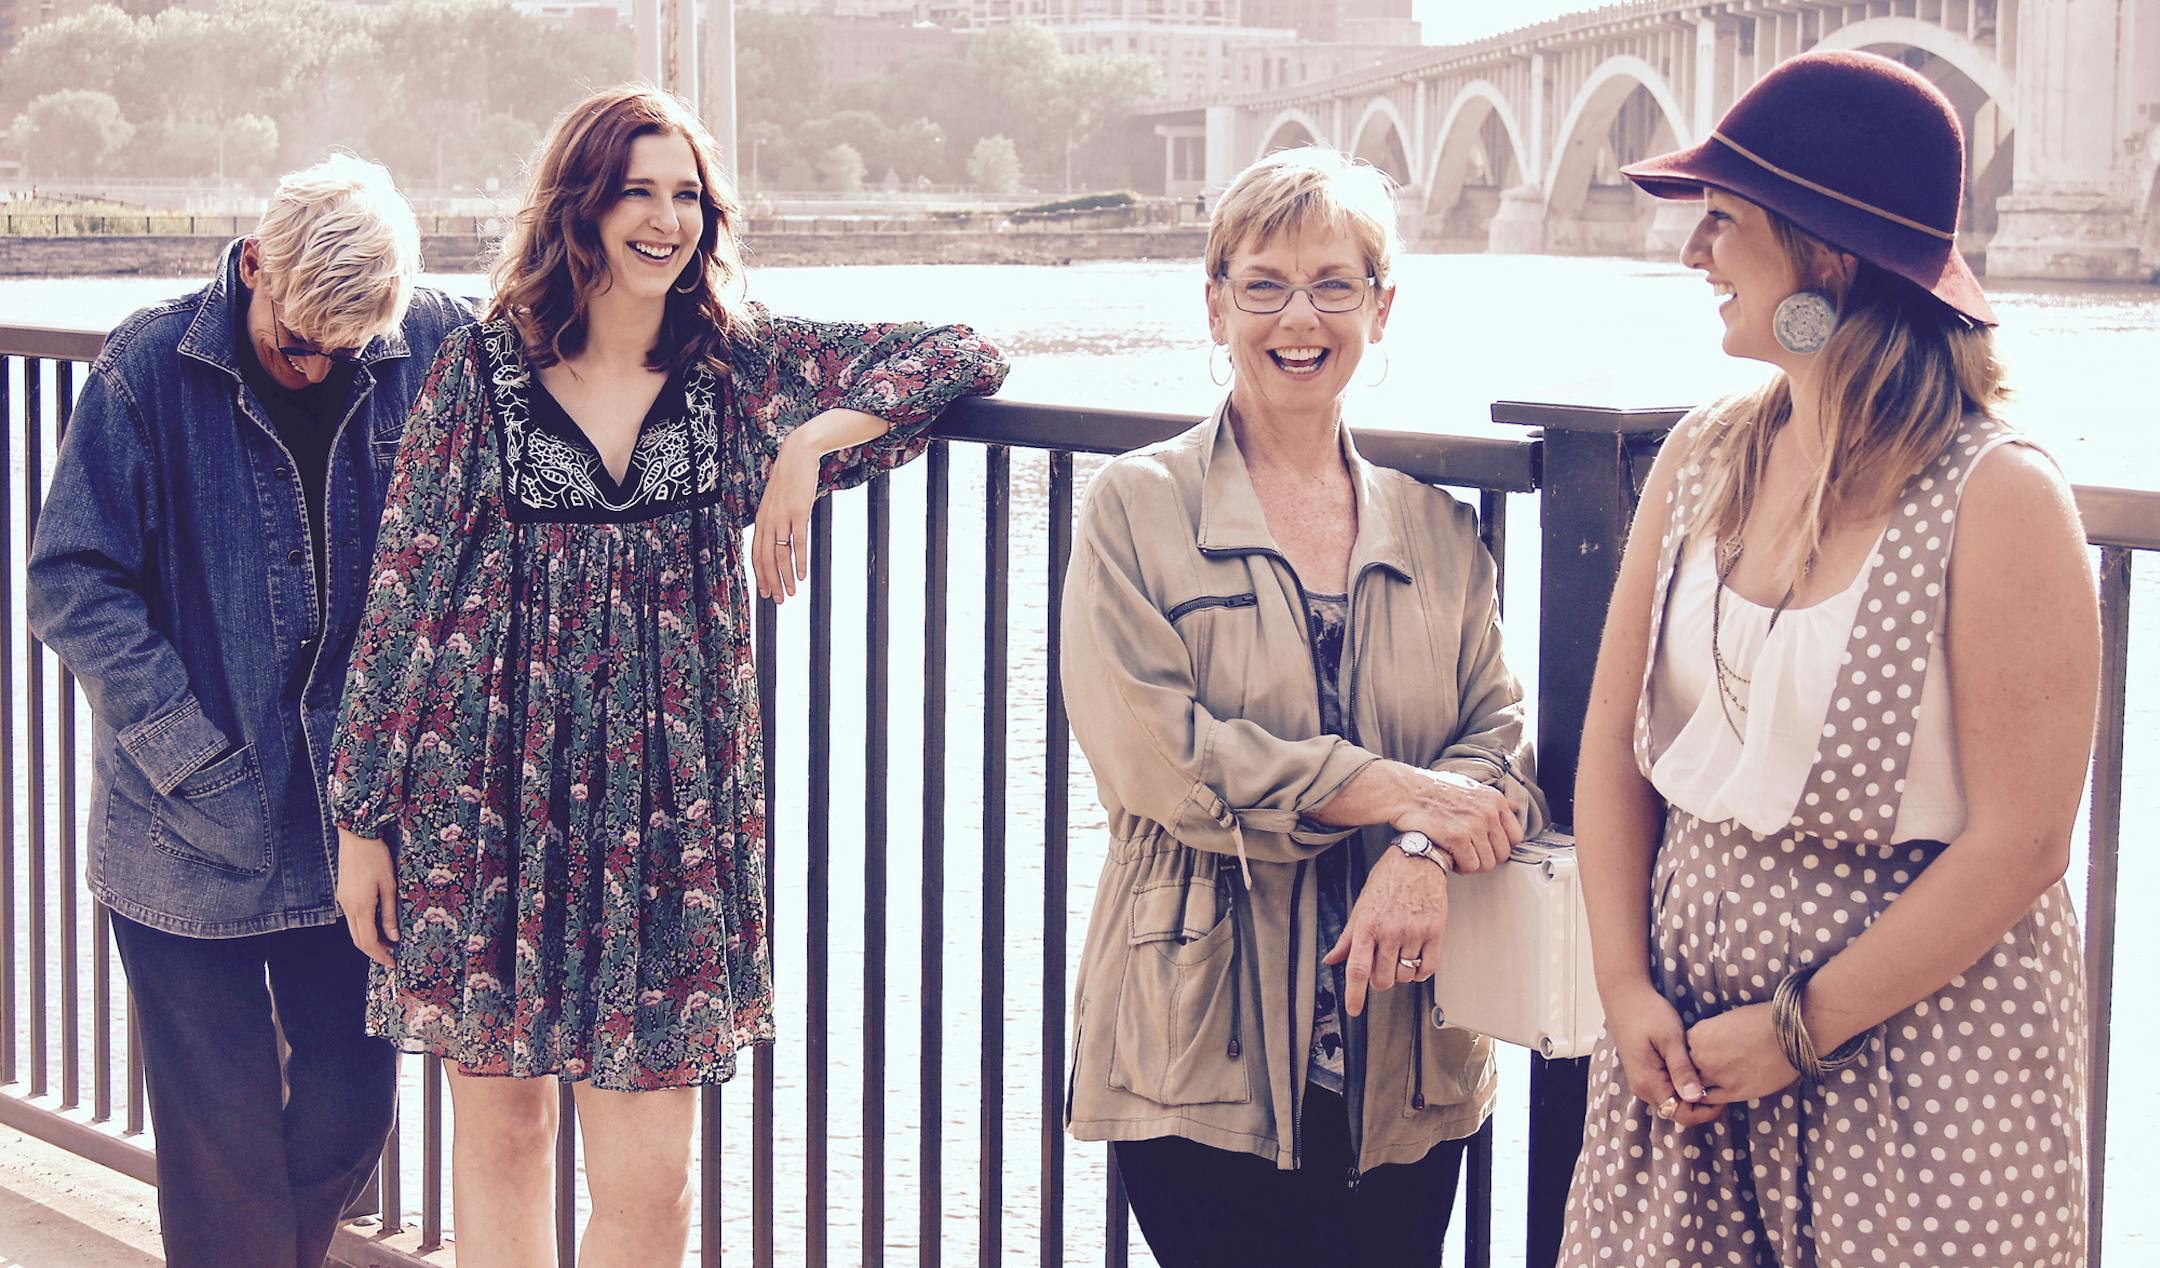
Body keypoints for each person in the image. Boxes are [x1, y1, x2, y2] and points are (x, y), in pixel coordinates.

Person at [326, 86, 1006, 1268]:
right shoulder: (480, 374)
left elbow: (963, 352)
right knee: (506, 1141)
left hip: (667, 826)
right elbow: (405, 595)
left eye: (686, 193)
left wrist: (807, 443)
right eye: (636, 190)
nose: (666, 217)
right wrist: (363, 823)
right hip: (490, 808)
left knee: (651, 1189)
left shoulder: (738, 371)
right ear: (579, 210)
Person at [1560, 51, 2097, 1267]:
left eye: (1725, 221)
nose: (1695, 253)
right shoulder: (1703, 458)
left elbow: (2022, 841)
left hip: (1918, 1081)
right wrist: (1624, 986)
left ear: (1828, 260)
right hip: (1687, 1064)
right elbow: (1612, 748)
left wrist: (1797, 1029)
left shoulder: (1997, 494)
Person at [1059, 146, 1547, 1268]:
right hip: (1199, 1038)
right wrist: (1379, 785)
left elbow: (1503, 738)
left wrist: (1423, 840)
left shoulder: (1437, 528)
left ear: (1382, 307)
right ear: (1217, 302)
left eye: (1335, 283)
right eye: (1266, 282)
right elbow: (1157, 756)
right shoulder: (1137, 505)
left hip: (1409, 1052)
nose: (1300, 316)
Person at [24, 156, 472, 1267]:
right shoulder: (147, 368)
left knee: (353, 1109)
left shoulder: (433, 341)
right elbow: (71, 580)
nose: (316, 363)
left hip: (356, 833)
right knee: (218, 1152)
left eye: (345, 346)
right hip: (182, 831)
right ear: (255, 261)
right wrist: (193, 755)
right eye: (296, 339)